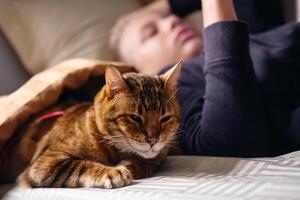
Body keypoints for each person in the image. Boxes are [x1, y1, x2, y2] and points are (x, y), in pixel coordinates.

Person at [110, 0, 300, 157]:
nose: (172, 21)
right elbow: (232, 144)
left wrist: (164, 6)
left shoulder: (247, 36)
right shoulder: (171, 96)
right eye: (151, 32)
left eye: (168, 18)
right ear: (139, 70)